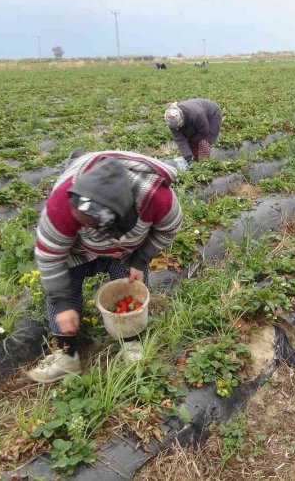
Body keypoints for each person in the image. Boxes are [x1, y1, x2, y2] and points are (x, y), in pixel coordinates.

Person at [26, 150, 183, 383]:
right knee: (64, 295)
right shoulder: (62, 203)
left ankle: (131, 341)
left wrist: (140, 259)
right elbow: (49, 256)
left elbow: (168, 229)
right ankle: (67, 356)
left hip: (129, 248)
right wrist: (62, 303)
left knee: (128, 284)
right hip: (76, 250)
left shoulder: (156, 198)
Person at [163, 98, 222, 163]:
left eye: (178, 126)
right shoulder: (171, 120)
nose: (177, 129)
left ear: (181, 119)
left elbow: (204, 131)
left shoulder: (196, 114)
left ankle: (204, 165)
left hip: (211, 115)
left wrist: (193, 140)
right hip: (192, 119)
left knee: (204, 143)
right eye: (175, 127)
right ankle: (194, 163)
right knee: (189, 145)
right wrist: (188, 158)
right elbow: (180, 140)